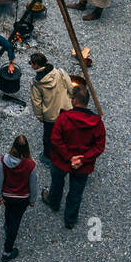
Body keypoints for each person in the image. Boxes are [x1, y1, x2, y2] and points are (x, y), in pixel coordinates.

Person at [45, 84, 105, 229]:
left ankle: (54, 203)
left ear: (73, 101)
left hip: (61, 161)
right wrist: (82, 159)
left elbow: (55, 139)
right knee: (76, 192)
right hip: (82, 166)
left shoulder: (64, 118)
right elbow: (99, 146)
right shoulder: (97, 123)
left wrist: (69, 157)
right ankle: (70, 220)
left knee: (57, 183)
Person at [0, 134, 38, 262]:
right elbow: (33, 185)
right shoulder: (31, 165)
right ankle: (7, 252)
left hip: (7, 196)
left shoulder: (4, 160)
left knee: (8, 212)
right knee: (16, 222)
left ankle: (7, 226)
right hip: (22, 199)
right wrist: (32, 201)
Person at [28, 52, 73, 163]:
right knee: (66, 133)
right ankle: (66, 153)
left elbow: (36, 103)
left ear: (37, 65)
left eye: (31, 63)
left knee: (48, 137)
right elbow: (70, 87)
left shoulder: (37, 84)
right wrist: (70, 100)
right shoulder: (60, 72)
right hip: (67, 110)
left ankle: (48, 157)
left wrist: (40, 117)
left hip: (51, 116)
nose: (30, 65)